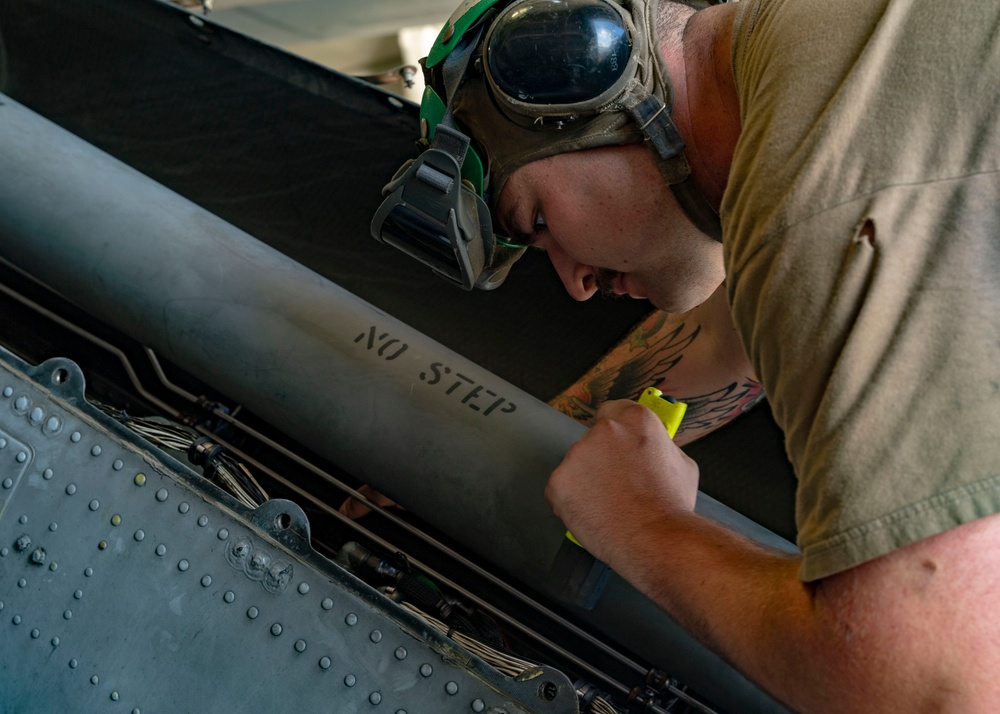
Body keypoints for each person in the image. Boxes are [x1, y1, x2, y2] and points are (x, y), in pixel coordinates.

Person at [373, 0, 1000, 710]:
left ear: (591, 83)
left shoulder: (812, 200)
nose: (577, 284)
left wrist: (644, 525)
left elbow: (936, 681)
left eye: (539, 224)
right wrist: (491, 459)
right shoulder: (814, 58)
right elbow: (720, 343)